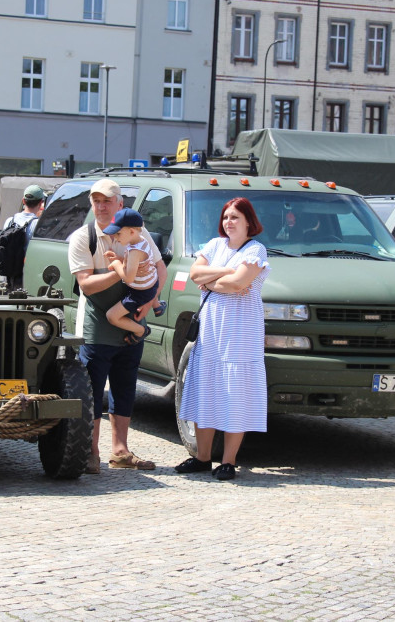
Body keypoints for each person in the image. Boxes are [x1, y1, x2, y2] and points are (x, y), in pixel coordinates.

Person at [68, 178, 167, 474]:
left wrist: (149, 302)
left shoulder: (138, 232)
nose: (100, 206)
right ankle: (91, 452)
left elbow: (160, 269)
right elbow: (86, 284)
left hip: (131, 318)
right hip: (98, 323)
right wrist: (121, 272)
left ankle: (121, 451)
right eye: (96, 201)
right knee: (94, 391)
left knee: (125, 387)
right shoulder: (82, 237)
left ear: (120, 204)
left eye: (107, 201)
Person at [176, 197, 269, 481]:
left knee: (234, 395)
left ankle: (228, 460)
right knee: (206, 390)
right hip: (212, 330)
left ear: (248, 221)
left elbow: (240, 283)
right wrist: (228, 272)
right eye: (226, 217)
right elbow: (194, 274)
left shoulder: (256, 248)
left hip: (240, 333)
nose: (229, 222)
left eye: (235, 217)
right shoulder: (214, 245)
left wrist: (212, 281)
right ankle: (202, 457)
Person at [101, 207, 164, 344]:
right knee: (149, 280)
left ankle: (140, 330)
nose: (115, 239)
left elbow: (128, 278)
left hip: (140, 293)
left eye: (118, 234)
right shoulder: (142, 241)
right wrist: (119, 257)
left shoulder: (135, 251)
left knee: (111, 316)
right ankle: (157, 305)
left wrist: (117, 264)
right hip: (152, 282)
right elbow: (136, 263)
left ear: (131, 231)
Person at [1, 184, 47, 288]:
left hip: (8, 273)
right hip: (26, 274)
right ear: (41, 203)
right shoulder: (38, 224)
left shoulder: (9, 221)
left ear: (23, 201)